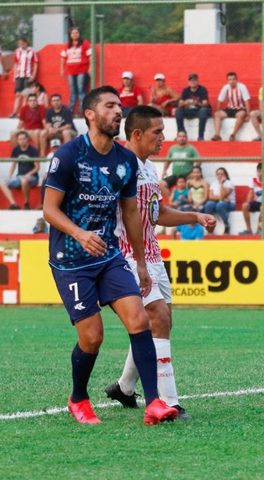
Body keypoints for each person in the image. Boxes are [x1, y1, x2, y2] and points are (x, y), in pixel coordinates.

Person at [42, 85, 178, 424]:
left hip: (110, 257)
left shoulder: (125, 160)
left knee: (140, 320)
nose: (117, 111)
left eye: (119, 106)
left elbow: (132, 213)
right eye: (109, 106)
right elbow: (49, 209)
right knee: (92, 338)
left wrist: (142, 264)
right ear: (90, 114)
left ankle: (155, 404)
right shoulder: (69, 155)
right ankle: (78, 398)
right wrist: (79, 233)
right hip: (71, 261)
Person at [105, 105, 216, 419]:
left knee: (157, 323)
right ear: (137, 134)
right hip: (128, 256)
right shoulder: (121, 166)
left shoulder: (149, 167)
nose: (163, 138)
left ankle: (125, 387)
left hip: (151, 254)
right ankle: (169, 402)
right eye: (158, 132)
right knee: (159, 318)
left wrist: (194, 215)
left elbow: (157, 214)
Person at [0, 131, 39, 210]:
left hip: (33, 177)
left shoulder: (33, 150)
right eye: (20, 139)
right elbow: (14, 164)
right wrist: (9, 176)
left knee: (24, 180)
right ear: (17, 140)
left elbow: (37, 167)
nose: (22, 141)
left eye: (23, 139)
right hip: (19, 177)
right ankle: (13, 204)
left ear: (27, 139)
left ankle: (26, 203)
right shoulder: (16, 149)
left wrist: (28, 175)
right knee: (2, 181)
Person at [160, 130, 200, 200]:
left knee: (193, 185)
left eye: (184, 136)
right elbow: (167, 161)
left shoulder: (191, 149)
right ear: (176, 138)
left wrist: (193, 173)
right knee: (161, 184)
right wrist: (164, 171)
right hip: (175, 175)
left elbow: (199, 161)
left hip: (187, 176)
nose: (182, 138)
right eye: (180, 136)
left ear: (187, 138)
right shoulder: (172, 148)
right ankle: (172, 201)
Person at [60, 27, 91, 115]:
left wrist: (90, 68)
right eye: (73, 33)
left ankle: (82, 111)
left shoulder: (85, 43)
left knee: (81, 90)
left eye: (76, 33)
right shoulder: (67, 45)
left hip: (82, 70)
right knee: (73, 91)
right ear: (70, 35)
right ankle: (70, 111)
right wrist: (62, 69)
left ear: (79, 34)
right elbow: (63, 58)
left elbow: (90, 56)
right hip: (70, 71)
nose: (75, 34)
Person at [212, 72, 251, 141]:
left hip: (240, 108)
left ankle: (233, 134)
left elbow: (247, 101)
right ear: (227, 81)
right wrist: (217, 111)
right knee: (217, 114)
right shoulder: (225, 87)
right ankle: (217, 135)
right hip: (230, 109)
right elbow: (220, 100)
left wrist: (248, 114)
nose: (232, 81)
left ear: (236, 80)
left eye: (233, 79)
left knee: (241, 114)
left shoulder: (242, 87)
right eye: (230, 79)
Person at [175, 73, 211, 141]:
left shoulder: (202, 89)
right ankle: (182, 134)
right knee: (178, 111)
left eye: (194, 80)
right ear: (188, 82)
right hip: (189, 110)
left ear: (197, 81)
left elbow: (205, 104)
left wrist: (196, 102)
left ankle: (201, 136)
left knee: (203, 111)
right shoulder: (186, 90)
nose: (193, 82)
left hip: (199, 110)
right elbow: (179, 104)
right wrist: (186, 102)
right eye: (191, 80)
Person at [9, 37, 38, 118]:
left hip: (28, 76)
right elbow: (15, 63)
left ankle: (22, 113)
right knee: (18, 95)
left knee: (26, 95)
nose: (21, 45)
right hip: (19, 76)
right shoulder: (17, 51)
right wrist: (14, 75)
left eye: (22, 43)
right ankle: (14, 113)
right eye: (19, 43)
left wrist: (33, 75)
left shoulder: (31, 51)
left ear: (26, 43)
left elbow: (36, 63)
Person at [239, 163, 264, 235]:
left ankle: (259, 229)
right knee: (244, 206)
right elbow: (250, 193)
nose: (261, 173)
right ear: (257, 171)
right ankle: (249, 229)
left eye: (263, 171)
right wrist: (248, 203)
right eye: (259, 171)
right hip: (257, 202)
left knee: (263, 207)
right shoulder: (253, 180)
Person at [204, 167, 236, 234]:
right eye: (218, 174)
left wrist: (221, 184)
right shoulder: (214, 183)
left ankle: (226, 225)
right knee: (208, 205)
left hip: (230, 204)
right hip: (218, 202)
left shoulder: (230, 183)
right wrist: (221, 198)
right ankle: (210, 226)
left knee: (220, 205)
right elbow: (210, 196)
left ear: (226, 175)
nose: (220, 176)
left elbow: (223, 194)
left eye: (222, 174)